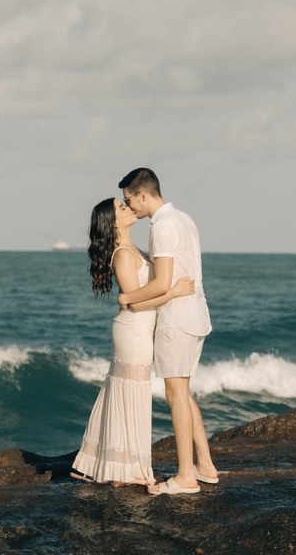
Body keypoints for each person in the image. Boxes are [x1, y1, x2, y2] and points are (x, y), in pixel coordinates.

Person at [71, 197, 195, 487]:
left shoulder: (131, 249)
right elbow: (136, 304)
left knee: (129, 394)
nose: (127, 207)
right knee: (131, 394)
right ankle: (129, 471)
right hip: (133, 330)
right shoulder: (123, 255)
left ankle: (123, 469)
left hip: (139, 330)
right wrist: (174, 292)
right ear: (113, 222)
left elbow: (135, 297)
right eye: (120, 207)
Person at [117, 167, 218, 495]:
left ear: (143, 194)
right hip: (197, 316)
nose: (130, 207)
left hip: (176, 320)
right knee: (184, 392)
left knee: (176, 395)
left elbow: (162, 281)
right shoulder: (184, 218)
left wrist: (128, 297)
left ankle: (186, 476)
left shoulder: (162, 227)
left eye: (130, 200)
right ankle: (205, 465)